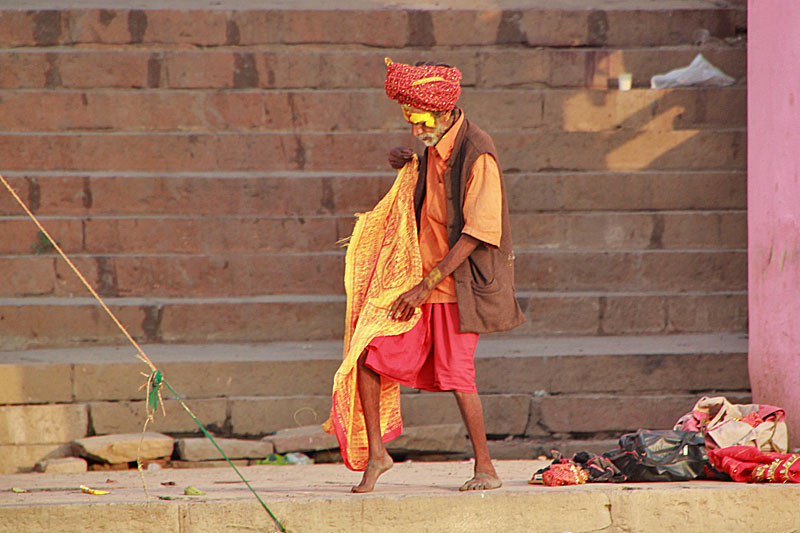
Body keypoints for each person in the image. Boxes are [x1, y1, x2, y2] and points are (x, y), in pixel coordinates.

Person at [350, 58, 526, 493]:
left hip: (454, 287)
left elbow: (477, 233)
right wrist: (404, 166)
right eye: (410, 121)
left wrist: (425, 285)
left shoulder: (478, 153)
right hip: (416, 279)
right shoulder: (433, 146)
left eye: (422, 121)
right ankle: (377, 454)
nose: (416, 130)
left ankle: (485, 467)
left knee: (458, 377)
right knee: (369, 353)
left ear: (447, 115)